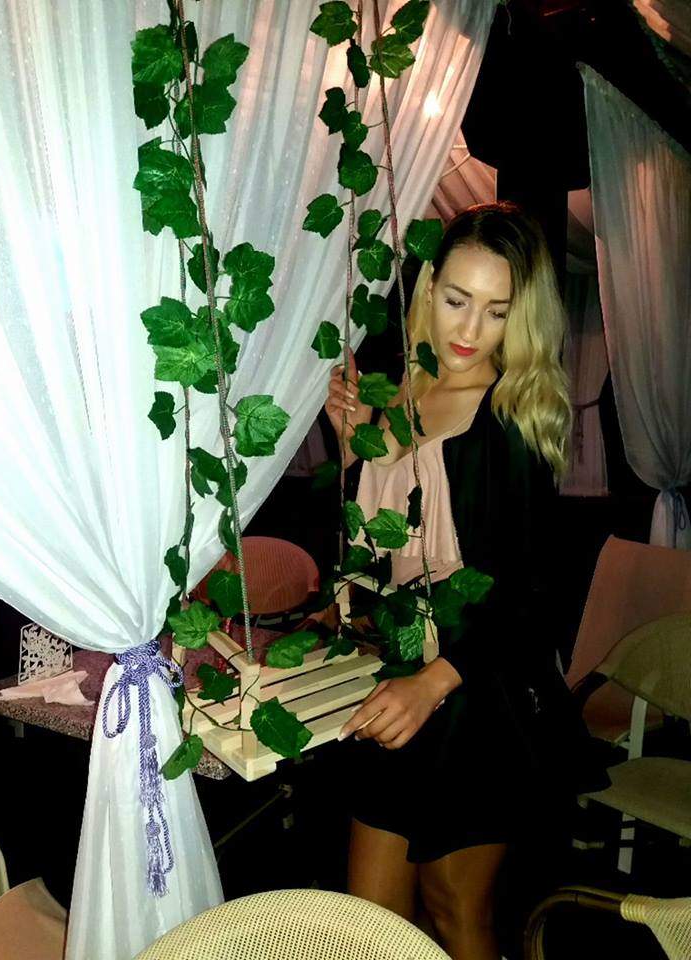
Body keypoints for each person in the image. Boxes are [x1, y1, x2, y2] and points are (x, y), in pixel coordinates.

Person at [324, 202, 607, 960]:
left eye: (496, 310)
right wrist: (353, 447)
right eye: (457, 299)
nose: (470, 329)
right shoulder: (398, 394)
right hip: (398, 677)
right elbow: (379, 549)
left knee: (455, 914)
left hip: (477, 691)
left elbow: (533, 598)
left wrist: (434, 682)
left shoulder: (508, 420)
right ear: (428, 288)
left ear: (519, 319)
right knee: (371, 921)